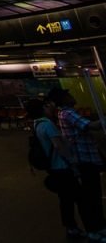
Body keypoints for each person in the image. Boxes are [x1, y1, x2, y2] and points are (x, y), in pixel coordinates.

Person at [28, 97, 88, 239]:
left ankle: (71, 228)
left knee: (65, 200)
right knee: (79, 199)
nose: (51, 108)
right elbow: (59, 146)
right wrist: (73, 164)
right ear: (43, 108)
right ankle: (86, 229)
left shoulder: (36, 124)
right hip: (62, 168)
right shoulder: (48, 124)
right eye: (48, 106)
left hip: (53, 168)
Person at [50, 87, 106, 238]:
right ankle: (94, 230)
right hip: (84, 161)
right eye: (68, 94)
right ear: (62, 99)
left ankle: (98, 227)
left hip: (87, 160)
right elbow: (90, 126)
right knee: (91, 198)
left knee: (93, 196)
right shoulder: (68, 113)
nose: (71, 96)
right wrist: (102, 119)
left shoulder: (66, 113)